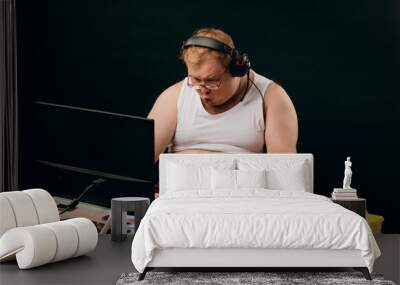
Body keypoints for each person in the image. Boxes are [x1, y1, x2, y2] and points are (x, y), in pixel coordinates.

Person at [148, 27, 298, 162]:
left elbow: (283, 169)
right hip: (182, 190)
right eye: (195, 79)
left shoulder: (271, 97)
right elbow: (139, 162)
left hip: (242, 190)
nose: (202, 89)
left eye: (211, 81)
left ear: (237, 71)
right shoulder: (174, 97)